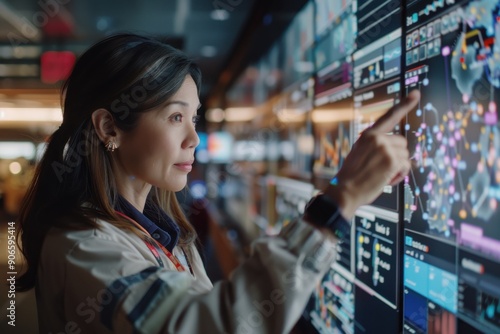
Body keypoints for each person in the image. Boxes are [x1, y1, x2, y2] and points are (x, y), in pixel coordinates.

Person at [17, 33, 420, 333]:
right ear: (109, 128)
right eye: (176, 117)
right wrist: (339, 200)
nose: (194, 139)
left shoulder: (158, 229)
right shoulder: (83, 248)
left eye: (194, 119)